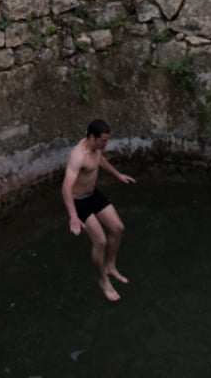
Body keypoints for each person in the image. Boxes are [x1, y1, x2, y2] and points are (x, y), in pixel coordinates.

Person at [61, 119, 136, 301]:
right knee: (100, 241)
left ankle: (110, 266)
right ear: (92, 137)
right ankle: (103, 280)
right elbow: (65, 188)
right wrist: (73, 217)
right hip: (79, 202)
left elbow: (100, 160)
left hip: (93, 195)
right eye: (103, 141)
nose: (105, 144)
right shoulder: (78, 155)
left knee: (118, 228)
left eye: (107, 140)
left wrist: (117, 174)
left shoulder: (96, 148)